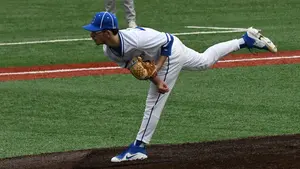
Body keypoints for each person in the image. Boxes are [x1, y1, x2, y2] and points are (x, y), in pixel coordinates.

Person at [82, 12, 277, 162]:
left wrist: (157, 69)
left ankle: (138, 148)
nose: (91, 34)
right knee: (204, 61)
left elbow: (167, 42)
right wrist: (157, 80)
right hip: (165, 53)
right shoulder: (110, 51)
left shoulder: (137, 38)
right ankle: (246, 40)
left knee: (154, 101)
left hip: (170, 52)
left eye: (94, 31)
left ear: (107, 32)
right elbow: (137, 67)